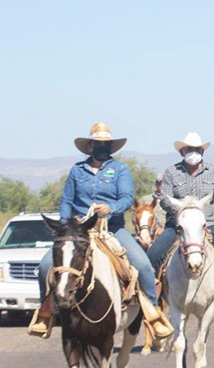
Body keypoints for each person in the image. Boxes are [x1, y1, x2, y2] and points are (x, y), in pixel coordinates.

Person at [29, 123, 172, 339]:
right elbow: (67, 200)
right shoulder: (77, 170)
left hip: (112, 228)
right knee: (45, 266)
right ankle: (45, 313)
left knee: (143, 266)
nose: (101, 148)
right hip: (79, 229)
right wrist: (67, 224)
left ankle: (153, 313)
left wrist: (110, 208)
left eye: (105, 144)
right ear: (90, 146)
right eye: (97, 144)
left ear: (111, 147)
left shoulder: (121, 170)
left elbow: (126, 198)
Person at [146, 132, 214, 274]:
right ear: (182, 152)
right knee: (153, 256)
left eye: (197, 149)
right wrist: (185, 211)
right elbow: (164, 200)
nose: (193, 152)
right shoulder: (171, 172)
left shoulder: (212, 171)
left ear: (202, 151)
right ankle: (154, 287)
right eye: (189, 149)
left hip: (207, 224)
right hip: (176, 226)